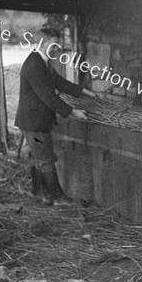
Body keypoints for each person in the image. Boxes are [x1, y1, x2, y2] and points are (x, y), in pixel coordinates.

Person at [15, 27, 95, 206]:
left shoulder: (42, 61)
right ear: (43, 43)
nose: (57, 49)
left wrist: (86, 92)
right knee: (46, 159)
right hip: (34, 123)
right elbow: (48, 96)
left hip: (34, 120)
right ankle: (58, 197)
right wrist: (73, 112)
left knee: (40, 157)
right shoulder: (35, 65)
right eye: (54, 45)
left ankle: (43, 195)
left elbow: (58, 82)